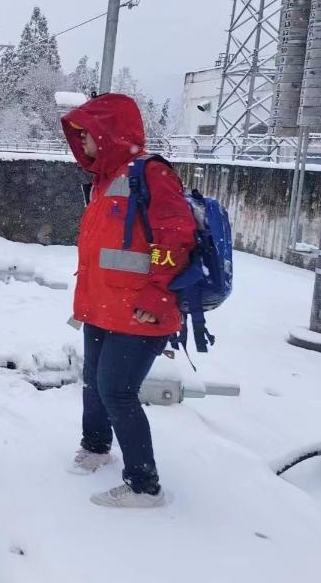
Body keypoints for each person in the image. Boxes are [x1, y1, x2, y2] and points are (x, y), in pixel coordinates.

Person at [60, 93, 195, 509]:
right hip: (104, 306)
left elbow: (177, 238)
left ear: (109, 133)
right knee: (95, 383)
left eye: (87, 136)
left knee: (116, 390)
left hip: (141, 310)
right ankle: (97, 446)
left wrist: (156, 294)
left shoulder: (150, 174)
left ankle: (144, 486)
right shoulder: (105, 180)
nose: (82, 145)